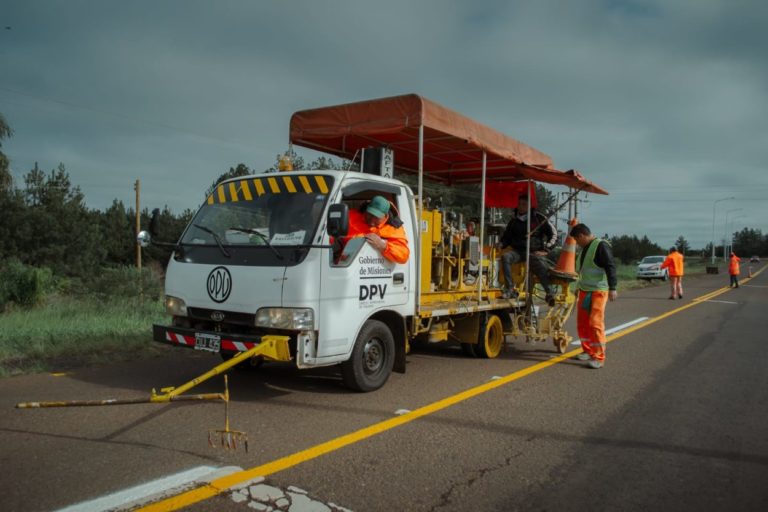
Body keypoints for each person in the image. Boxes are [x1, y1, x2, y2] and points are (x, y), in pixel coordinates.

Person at [570, 223, 618, 369]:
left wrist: (613, 288)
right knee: (583, 323)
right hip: (585, 290)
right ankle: (588, 350)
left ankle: (599, 357)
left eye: (577, 241)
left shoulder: (601, 246)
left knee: (595, 323)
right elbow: (583, 272)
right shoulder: (585, 249)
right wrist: (577, 288)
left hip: (598, 291)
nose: (577, 244)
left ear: (581, 236)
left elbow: (610, 266)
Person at [499, 194, 558, 305]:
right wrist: (501, 244)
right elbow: (507, 237)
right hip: (518, 252)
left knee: (541, 267)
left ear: (530, 205)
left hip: (533, 252)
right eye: (520, 204)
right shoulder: (513, 221)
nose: (521, 206)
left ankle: (550, 294)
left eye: (524, 204)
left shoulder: (539, 219)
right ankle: (510, 289)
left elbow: (554, 234)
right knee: (505, 257)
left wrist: (546, 250)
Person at [337, 195, 409, 264]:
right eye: (369, 215)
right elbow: (331, 236)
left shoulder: (394, 228)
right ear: (367, 209)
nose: (371, 221)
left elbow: (403, 256)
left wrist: (382, 245)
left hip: (374, 270)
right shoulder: (350, 216)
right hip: (343, 266)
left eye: (376, 217)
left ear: (385, 216)